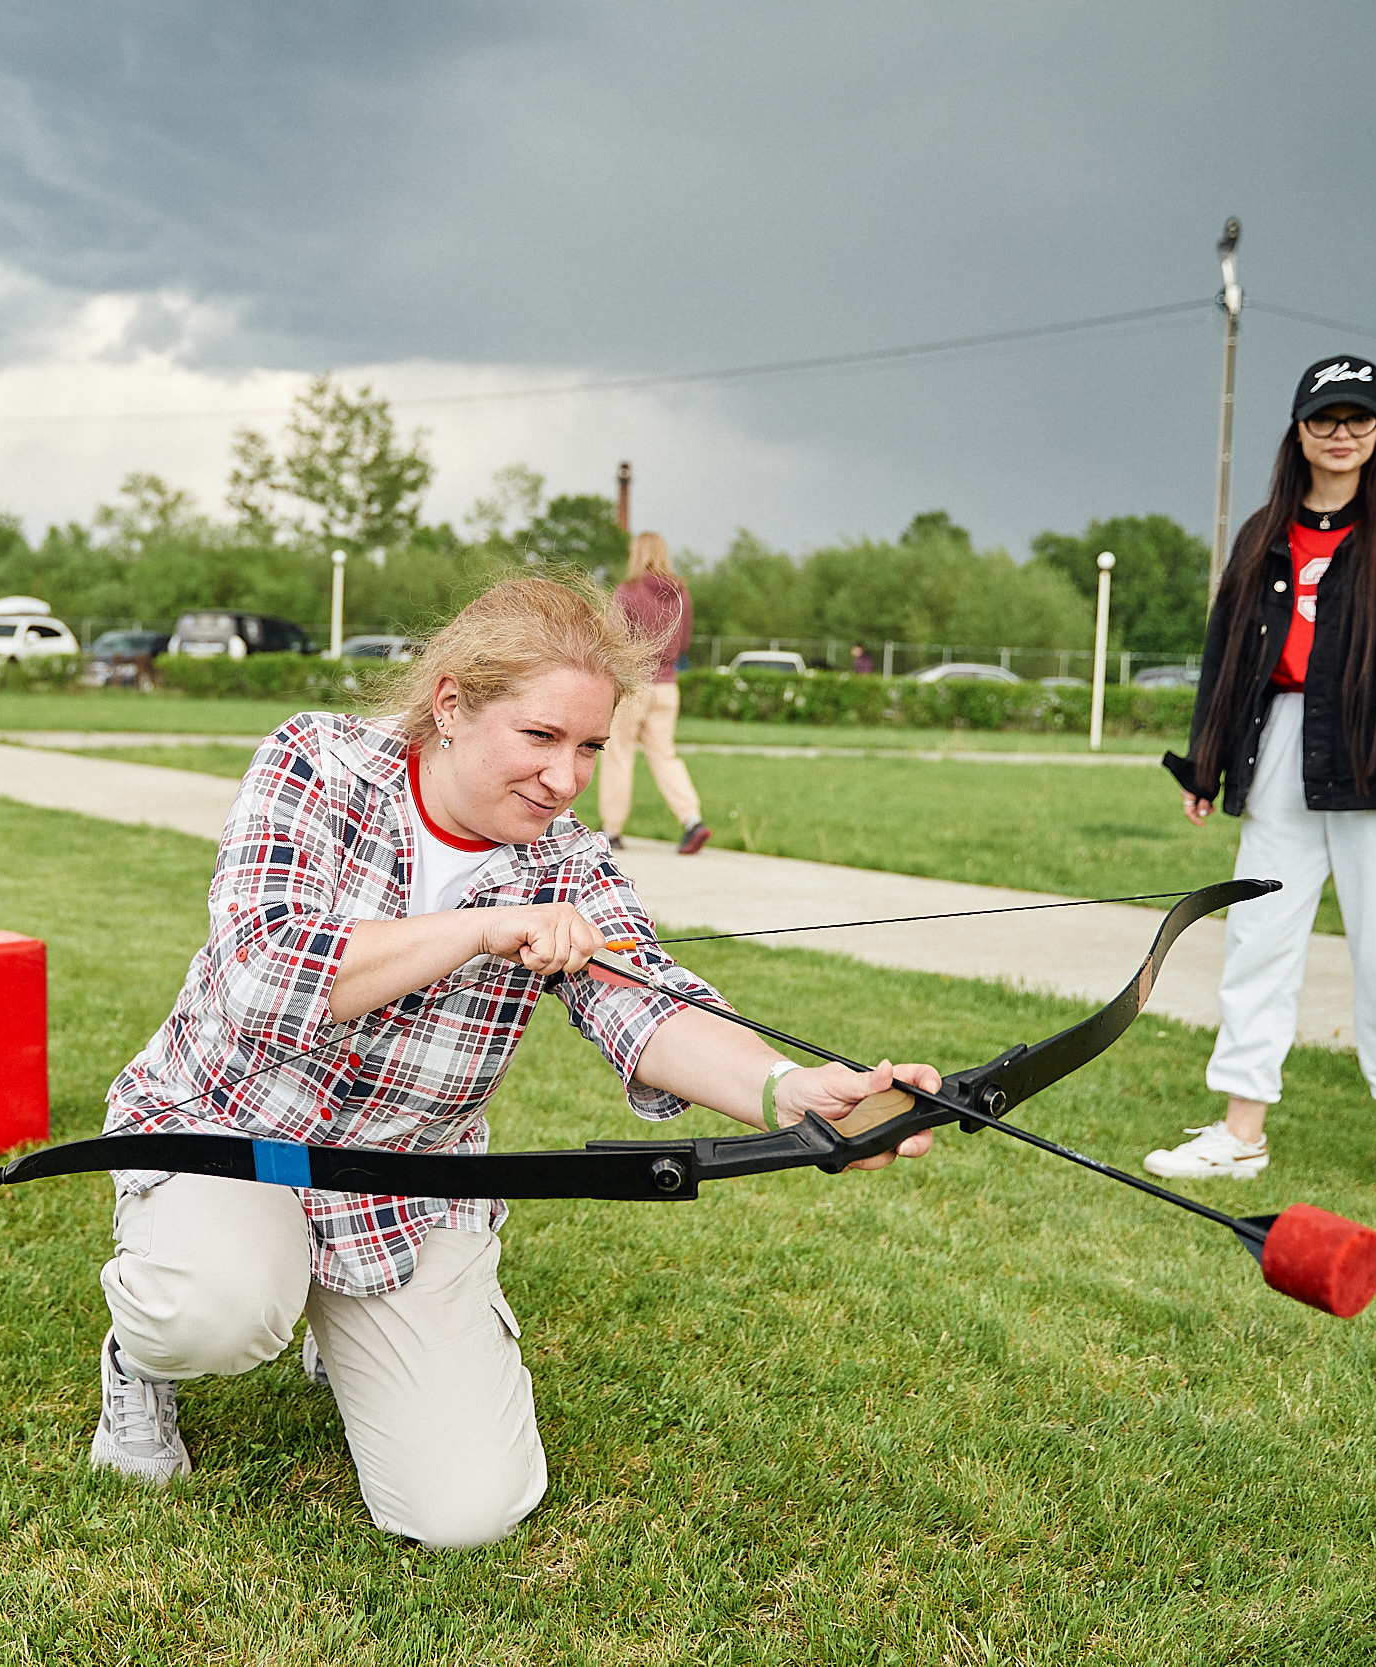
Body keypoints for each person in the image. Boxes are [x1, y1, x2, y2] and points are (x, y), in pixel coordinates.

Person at [83, 574, 941, 1547]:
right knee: (216, 1308)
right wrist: (481, 926)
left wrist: (789, 1090)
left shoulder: (569, 859)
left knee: (464, 1510)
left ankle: (345, 1321)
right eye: (540, 737)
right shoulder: (317, 761)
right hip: (229, 1131)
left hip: (402, 1190)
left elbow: (641, 1001)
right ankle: (140, 1359)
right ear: (450, 703)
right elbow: (265, 973)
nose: (567, 777)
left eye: (589, 746)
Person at [1155, 355, 1376, 1202]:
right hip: (1282, 747)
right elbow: (1227, 655)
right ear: (1298, 428)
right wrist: (1205, 760)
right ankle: (1240, 1130)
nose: (1342, 435)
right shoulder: (1265, 530)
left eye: (1359, 419)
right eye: (1326, 419)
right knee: (1259, 941)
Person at [596, 532, 710, 854]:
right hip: (667, 686)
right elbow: (684, 642)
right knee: (664, 755)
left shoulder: (626, 591)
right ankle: (692, 821)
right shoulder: (681, 594)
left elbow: (613, 640)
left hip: (635, 686)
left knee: (618, 755)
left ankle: (612, 830)